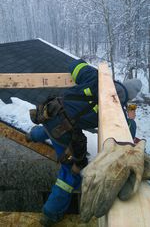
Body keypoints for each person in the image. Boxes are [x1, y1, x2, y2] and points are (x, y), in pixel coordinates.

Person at [27, 59, 142, 226]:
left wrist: (90, 69)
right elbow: (127, 137)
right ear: (129, 98)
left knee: (55, 127)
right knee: (70, 174)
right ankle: (51, 214)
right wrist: (131, 120)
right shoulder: (117, 112)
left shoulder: (98, 78)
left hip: (49, 111)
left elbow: (75, 66)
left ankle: (32, 136)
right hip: (63, 130)